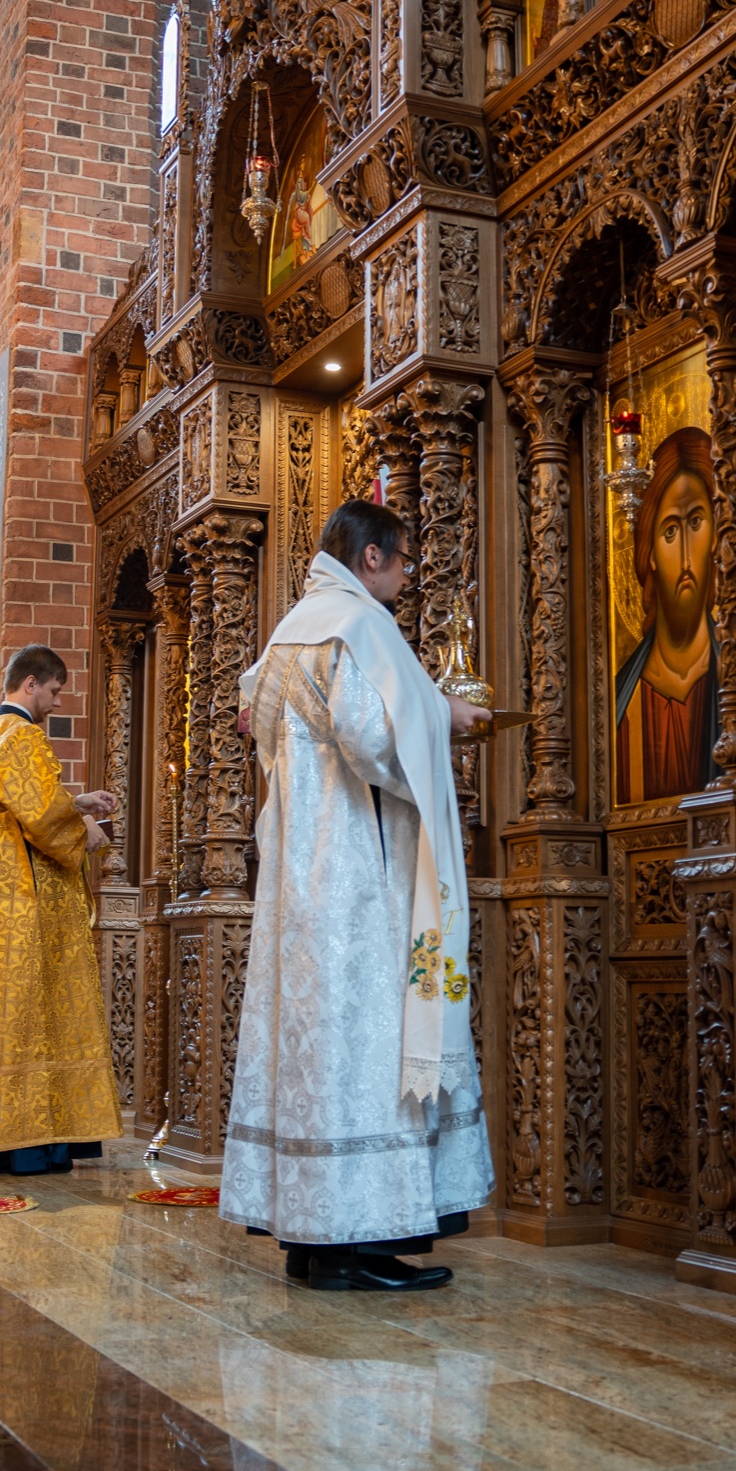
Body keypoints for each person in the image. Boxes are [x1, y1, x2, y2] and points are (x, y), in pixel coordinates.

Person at [221, 500, 495, 1292]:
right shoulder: (355, 626)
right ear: (370, 557)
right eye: (401, 561)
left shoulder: (288, 631)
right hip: (358, 882)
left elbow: (254, 720)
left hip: (298, 881)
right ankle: (358, 1242)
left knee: (318, 1054)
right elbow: (373, 742)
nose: (404, 578)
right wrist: (446, 716)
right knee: (367, 1047)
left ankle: (314, 1241)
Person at [0, 643, 122, 1175]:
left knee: (14, 1018)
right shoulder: (22, 734)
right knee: (35, 1014)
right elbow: (42, 817)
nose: (57, 701)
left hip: (0, 902)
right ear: (30, 684)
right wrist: (86, 832)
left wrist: (79, 802)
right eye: (54, 690)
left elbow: (25, 806)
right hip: (28, 903)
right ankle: (36, 1144)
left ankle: (2, 1143)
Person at [614, 427, 720, 804]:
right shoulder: (622, 702)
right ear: (651, 553)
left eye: (696, 522)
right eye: (670, 530)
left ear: (717, 536)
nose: (687, 555)